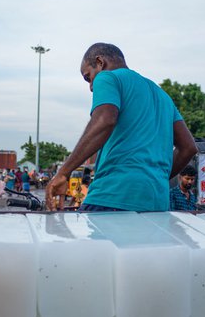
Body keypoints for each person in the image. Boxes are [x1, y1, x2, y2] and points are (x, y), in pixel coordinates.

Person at [46, 42, 197, 212]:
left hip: (113, 196)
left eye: (88, 77)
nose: (90, 86)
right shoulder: (162, 95)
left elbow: (104, 121)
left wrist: (63, 173)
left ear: (100, 62)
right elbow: (189, 147)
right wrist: (158, 178)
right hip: (156, 203)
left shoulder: (108, 77)